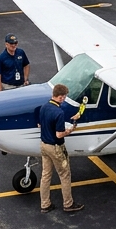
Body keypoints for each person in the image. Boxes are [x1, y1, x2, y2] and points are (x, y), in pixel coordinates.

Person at [38, 84, 83, 213]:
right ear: (61, 97)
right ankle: (68, 204)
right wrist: (70, 130)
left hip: (44, 145)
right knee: (64, 174)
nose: (64, 99)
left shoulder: (44, 107)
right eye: (64, 97)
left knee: (46, 175)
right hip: (56, 147)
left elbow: (40, 124)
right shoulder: (59, 112)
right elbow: (59, 134)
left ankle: (45, 204)